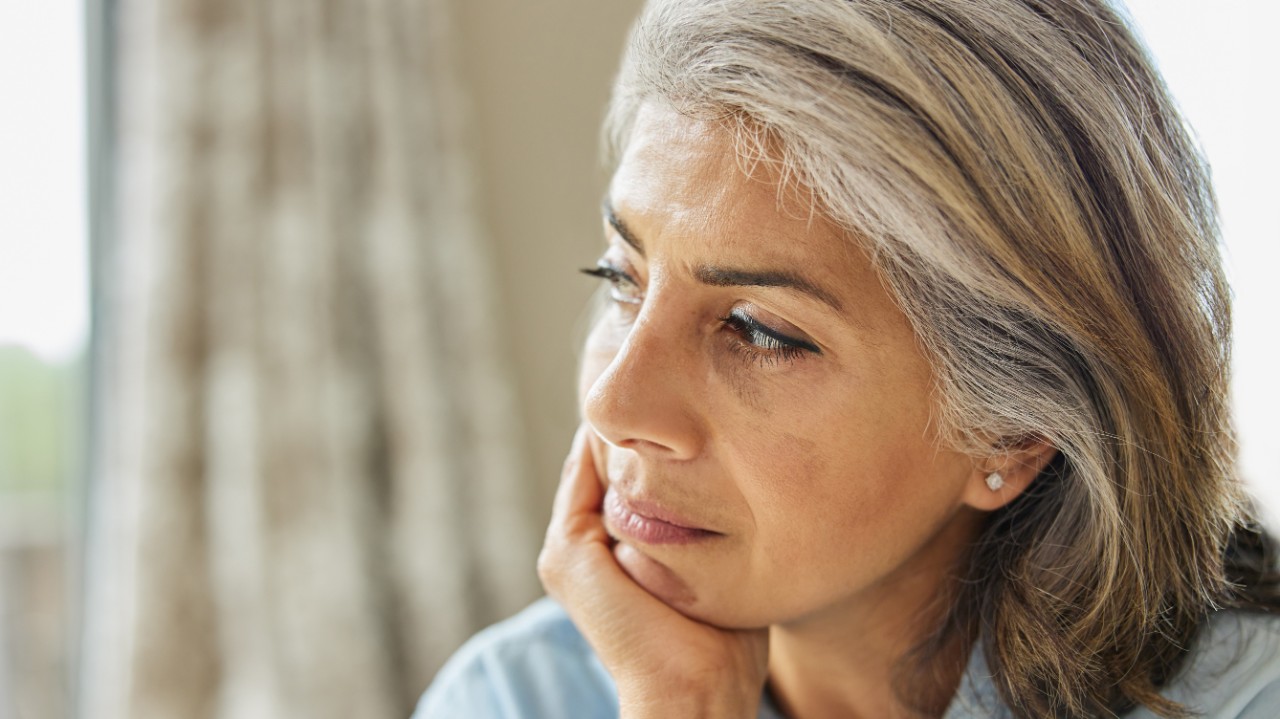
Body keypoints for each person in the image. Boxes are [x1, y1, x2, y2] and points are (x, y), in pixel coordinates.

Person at [415, 0, 1280, 716]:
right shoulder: (511, 697)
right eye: (622, 277)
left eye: (760, 330)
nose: (613, 403)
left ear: (1010, 433)